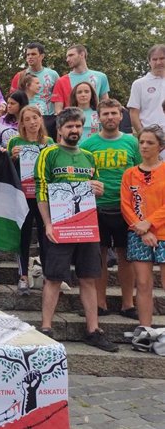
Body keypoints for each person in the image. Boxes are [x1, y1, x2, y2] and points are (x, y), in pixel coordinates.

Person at [34, 107, 117, 352]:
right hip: (59, 225)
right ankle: (46, 328)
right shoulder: (48, 154)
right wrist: (48, 223)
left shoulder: (89, 157)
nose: (74, 130)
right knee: (53, 278)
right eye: (69, 126)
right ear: (59, 129)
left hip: (86, 225)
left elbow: (96, 188)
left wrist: (98, 189)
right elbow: (41, 190)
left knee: (89, 277)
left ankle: (93, 330)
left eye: (78, 126)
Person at [81, 99, 140, 318]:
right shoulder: (88, 145)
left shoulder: (132, 143)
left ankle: (128, 303)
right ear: (98, 117)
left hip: (126, 207)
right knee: (100, 257)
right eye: (105, 114)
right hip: (97, 207)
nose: (110, 117)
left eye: (114, 113)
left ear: (121, 116)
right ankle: (100, 303)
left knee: (126, 257)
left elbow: (141, 171)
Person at [120, 125, 165, 329]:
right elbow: (126, 204)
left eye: (150, 143)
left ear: (161, 147)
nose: (144, 146)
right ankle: (145, 329)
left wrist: (151, 223)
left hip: (162, 232)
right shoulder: (130, 173)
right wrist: (143, 229)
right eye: (142, 142)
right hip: (137, 233)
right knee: (144, 283)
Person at [8, 105, 55, 294]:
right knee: (23, 236)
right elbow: (7, 169)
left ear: (41, 119)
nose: (32, 122)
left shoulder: (50, 141)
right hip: (22, 196)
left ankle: (47, 276)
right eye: (27, 119)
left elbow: (53, 167)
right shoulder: (15, 141)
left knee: (45, 237)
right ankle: (23, 277)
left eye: (35, 118)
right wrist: (12, 157)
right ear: (22, 123)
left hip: (43, 196)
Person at [9, 42, 59, 137]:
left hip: (48, 118)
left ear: (42, 56)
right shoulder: (20, 76)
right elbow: (13, 101)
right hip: (27, 120)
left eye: (33, 54)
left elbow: (58, 97)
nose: (30, 57)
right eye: (28, 54)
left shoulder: (53, 74)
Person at [52, 44, 110, 112]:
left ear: (82, 55)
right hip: (72, 120)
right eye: (67, 57)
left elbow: (106, 103)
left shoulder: (100, 77)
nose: (67, 59)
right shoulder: (61, 81)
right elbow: (58, 110)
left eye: (71, 55)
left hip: (95, 120)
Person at [128, 44, 165, 136]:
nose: (158, 62)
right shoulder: (139, 84)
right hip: (151, 138)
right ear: (149, 61)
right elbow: (133, 113)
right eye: (154, 59)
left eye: (162, 58)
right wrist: (143, 135)